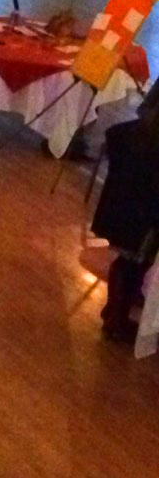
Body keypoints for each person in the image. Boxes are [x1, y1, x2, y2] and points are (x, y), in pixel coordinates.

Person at [93, 90, 159, 343]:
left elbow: (116, 134)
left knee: (130, 262)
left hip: (123, 207)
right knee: (133, 263)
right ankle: (116, 319)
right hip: (141, 214)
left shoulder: (137, 131)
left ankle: (115, 311)